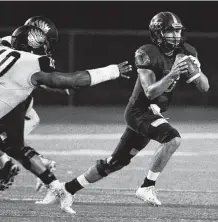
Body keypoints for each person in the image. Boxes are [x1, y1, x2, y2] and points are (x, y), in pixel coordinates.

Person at [58, 11, 209, 209]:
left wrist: (197, 72)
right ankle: (147, 186)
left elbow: (204, 87)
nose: (177, 36)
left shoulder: (186, 52)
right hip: (139, 112)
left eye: (178, 31)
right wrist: (172, 75)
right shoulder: (147, 53)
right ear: (158, 33)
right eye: (171, 32)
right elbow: (150, 92)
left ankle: (66, 188)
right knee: (173, 139)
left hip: (153, 114)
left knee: (115, 162)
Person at [0, 24, 132, 213]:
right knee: (9, 145)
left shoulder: (0, 49)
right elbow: (73, 81)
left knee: (10, 145)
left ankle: (46, 181)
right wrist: (112, 71)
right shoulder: (30, 62)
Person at [0, 16, 62, 198]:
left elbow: (41, 77)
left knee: (9, 146)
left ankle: (7, 166)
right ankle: (10, 165)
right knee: (7, 146)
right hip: (17, 103)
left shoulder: (21, 48)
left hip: (14, 103)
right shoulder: (15, 44)